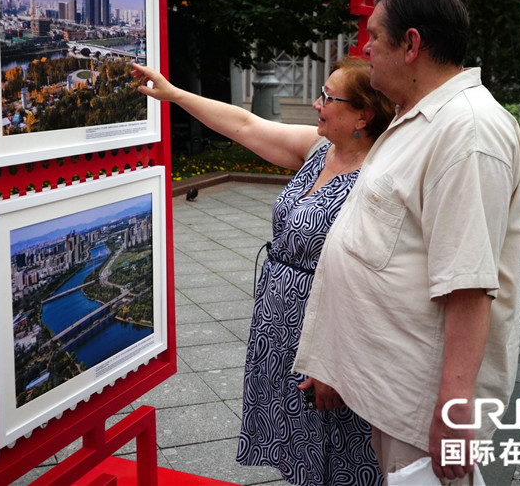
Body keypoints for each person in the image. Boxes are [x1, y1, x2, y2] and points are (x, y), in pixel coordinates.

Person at [293, 0, 520, 483]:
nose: (365, 48)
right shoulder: (418, 116)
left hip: (421, 403)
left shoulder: (467, 130)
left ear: (411, 44)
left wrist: (453, 412)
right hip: (393, 383)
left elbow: (468, 283)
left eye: (375, 36)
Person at [133, 59, 393, 486]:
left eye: (328, 97)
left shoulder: (380, 177)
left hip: (328, 333)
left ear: (362, 115)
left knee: (340, 446)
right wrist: (173, 93)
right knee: (298, 439)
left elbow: (371, 282)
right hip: (281, 325)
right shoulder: (320, 149)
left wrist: (334, 362)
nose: (317, 103)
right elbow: (244, 125)